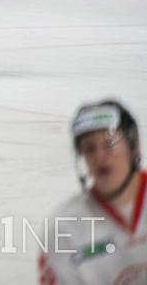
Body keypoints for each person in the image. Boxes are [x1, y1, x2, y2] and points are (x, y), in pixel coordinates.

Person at [39, 100, 146, 285]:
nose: (100, 156)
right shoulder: (65, 229)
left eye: (110, 144)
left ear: (133, 148)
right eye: (89, 148)